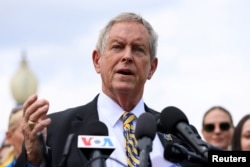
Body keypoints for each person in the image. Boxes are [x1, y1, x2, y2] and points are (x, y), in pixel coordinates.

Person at [16, 12, 203, 167]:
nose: (127, 56)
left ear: (152, 68)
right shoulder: (57, 131)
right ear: (97, 61)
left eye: (138, 49)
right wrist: (34, 158)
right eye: (118, 47)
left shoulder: (181, 136)